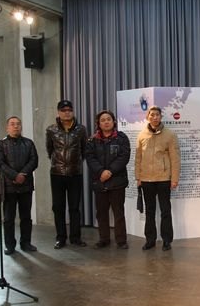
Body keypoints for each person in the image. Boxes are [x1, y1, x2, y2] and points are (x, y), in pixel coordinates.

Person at [135, 106, 181, 251]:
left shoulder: (170, 135)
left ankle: (167, 240)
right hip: (146, 179)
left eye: (157, 115)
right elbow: (138, 158)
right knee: (149, 211)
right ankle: (150, 240)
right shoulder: (142, 135)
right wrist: (138, 177)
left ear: (161, 117)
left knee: (165, 210)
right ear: (148, 117)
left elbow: (175, 158)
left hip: (163, 179)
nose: (155, 117)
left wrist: (174, 178)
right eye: (152, 115)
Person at [85, 110, 131, 249]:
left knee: (118, 212)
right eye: (103, 120)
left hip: (117, 181)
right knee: (101, 213)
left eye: (108, 119)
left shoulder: (121, 138)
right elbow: (90, 158)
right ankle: (104, 239)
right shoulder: (92, 140)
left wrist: (110, 171)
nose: (106, 122)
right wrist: (101, 171)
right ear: (98, 124)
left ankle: (121, 240)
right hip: (100, 181)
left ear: (113, 121)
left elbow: (124, 156)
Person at [46, 100, 88, 249]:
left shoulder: (81, 130)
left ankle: (75, 237)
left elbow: (84, 150)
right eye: (63, 110)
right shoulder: (51, 130)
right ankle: (60, 238)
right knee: (58, 207)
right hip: (57, 174)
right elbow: (49, 150)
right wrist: (59, 163)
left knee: (74, 207)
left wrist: (74, 164)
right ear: (58, 112)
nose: (67, 113)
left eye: (69, 110)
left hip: (75, 174)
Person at [0, 116, 39, 255]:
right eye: (12, 124)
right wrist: (14, 176)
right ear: (7, 127)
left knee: (26, 217)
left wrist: (23, 174)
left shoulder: (29, 143)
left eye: (18, 124)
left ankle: (26, 243)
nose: (16, 126)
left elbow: (34, 161)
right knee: (8, 218)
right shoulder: (1, 144)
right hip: (9, 187)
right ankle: (10, 245)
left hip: (26, 185)